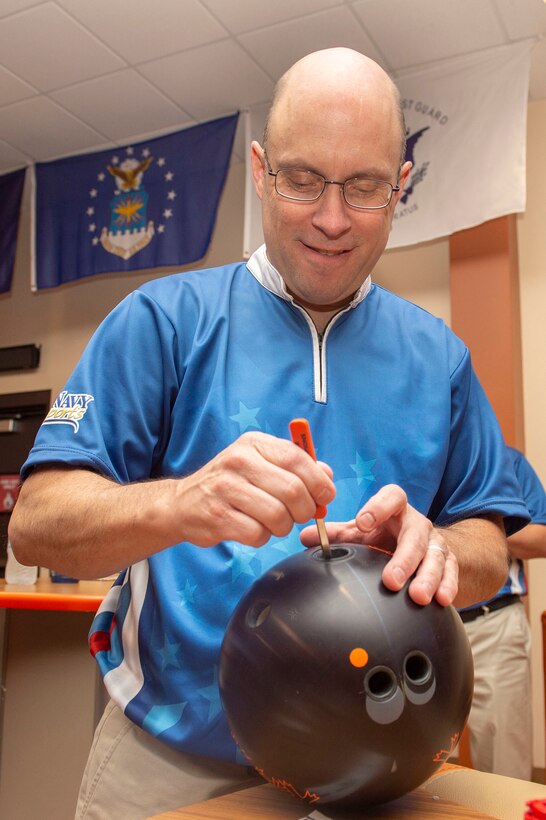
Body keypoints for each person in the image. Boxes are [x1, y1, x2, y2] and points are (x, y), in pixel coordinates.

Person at [8, 48, 529, 819]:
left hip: (378, 776)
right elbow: (36, 524)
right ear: (259, 170)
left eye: (363, 187)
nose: (330, 217)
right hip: (176, 760)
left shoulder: (440, 358)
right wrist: (180, 504)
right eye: (302, 179)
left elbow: (490, 538)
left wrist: (443, 551)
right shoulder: (160, 322)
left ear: (402, 186)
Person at [459, 445, 546, 780]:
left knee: (505, 766)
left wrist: (479, 533)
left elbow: (541, 536)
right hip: (418, 626)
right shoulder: (412, 456)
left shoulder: (506, 460)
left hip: (492, 623)